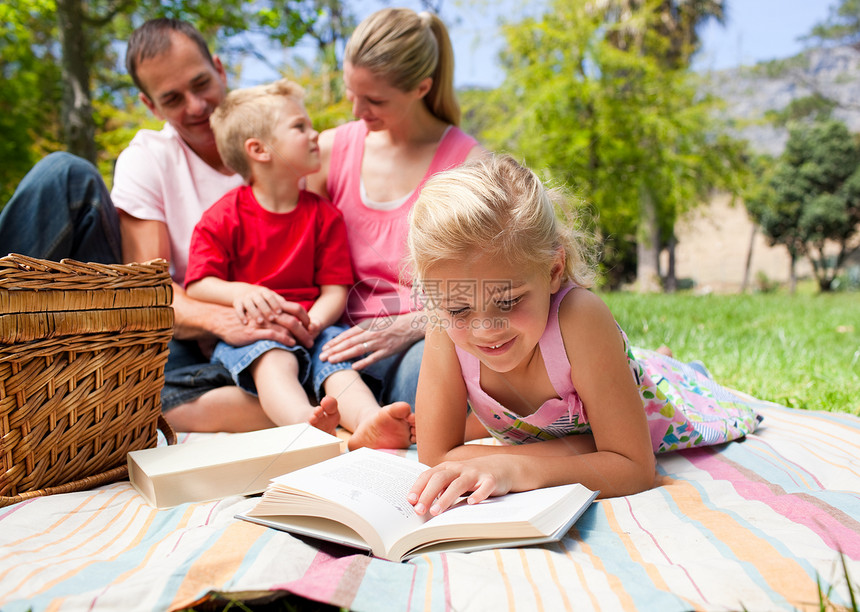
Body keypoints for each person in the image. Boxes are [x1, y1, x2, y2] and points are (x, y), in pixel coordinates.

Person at [404, 154, 762, 516]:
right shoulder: (444, 331)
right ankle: (655, 358)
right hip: (595, 396)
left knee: (676, 380)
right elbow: (434, 456)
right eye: (458, 309)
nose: (485, 329)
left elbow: (634, 467)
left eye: (508, 301)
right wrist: (584, 448)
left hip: (662, 399)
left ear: (554, 270)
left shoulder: (580, 319)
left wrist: (513, 468)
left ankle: (668, 365)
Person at [0, 19, 310, 433]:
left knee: (282, 368)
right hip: (165, 323)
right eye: (173, 98)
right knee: (65, 173)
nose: (197, 105)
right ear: (151, 106)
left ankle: (153, 403)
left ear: (220, 69)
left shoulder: (283, 143)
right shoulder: (148, 158)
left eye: (202, 83)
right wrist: (219, 320)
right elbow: (150, 289)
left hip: (251, 345)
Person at [185, 79, 414, 448]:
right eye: (299, 127)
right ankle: (303, 429)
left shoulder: (324, 216)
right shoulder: (223, 216)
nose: (315, 134)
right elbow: (198, 283)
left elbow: (334, 290)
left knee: (338, 359)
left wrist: (316, 322)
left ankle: (371, 423)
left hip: (315, 326)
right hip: (257, 330)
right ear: (259, 150)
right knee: (273, 357)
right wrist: (240, 291)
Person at [306, 8, 485, 425]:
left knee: (421, 387)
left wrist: (410, 325)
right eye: (352, 92)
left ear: (422, 87)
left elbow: (494, 284)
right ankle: (371, 424)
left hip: (425, 335)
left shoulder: (469, 164)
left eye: (374, 100)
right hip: (340, 338)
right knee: (319, 366)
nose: (357, 111)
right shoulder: (329, 151)